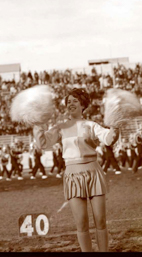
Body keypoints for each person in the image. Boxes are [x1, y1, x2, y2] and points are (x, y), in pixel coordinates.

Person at [34, 88, 119, 252]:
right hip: (72, 175)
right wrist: (37, 125)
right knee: (81, 222)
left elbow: (109, 140)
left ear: (83, 105)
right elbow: (43, 144)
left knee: (100, 221)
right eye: (68, 101)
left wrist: (115, 127)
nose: (70, 104)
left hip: (93, 172)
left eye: (74, 101)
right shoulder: (60, 127)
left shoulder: (91, 125)